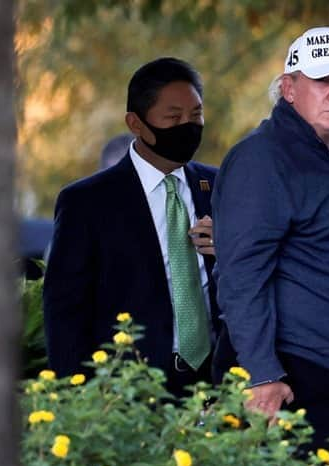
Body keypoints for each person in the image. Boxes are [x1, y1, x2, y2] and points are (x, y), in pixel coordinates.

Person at [212, 26, 329, 466]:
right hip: (283, 378)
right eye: (324, 81)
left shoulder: (328, 163)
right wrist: (262, 375)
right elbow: (242, 275)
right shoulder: (264, 158)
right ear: (288, 88)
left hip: (321, 379)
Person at [44, 57, 223, 398]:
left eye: (196, 115)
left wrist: (230, 248)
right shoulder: (87, 202)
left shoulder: (219, 187)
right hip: (129, 390)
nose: (188, 126)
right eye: (173, 118)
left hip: (218, 383)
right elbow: (65, 315)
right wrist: (78, 399)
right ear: (136, 124)